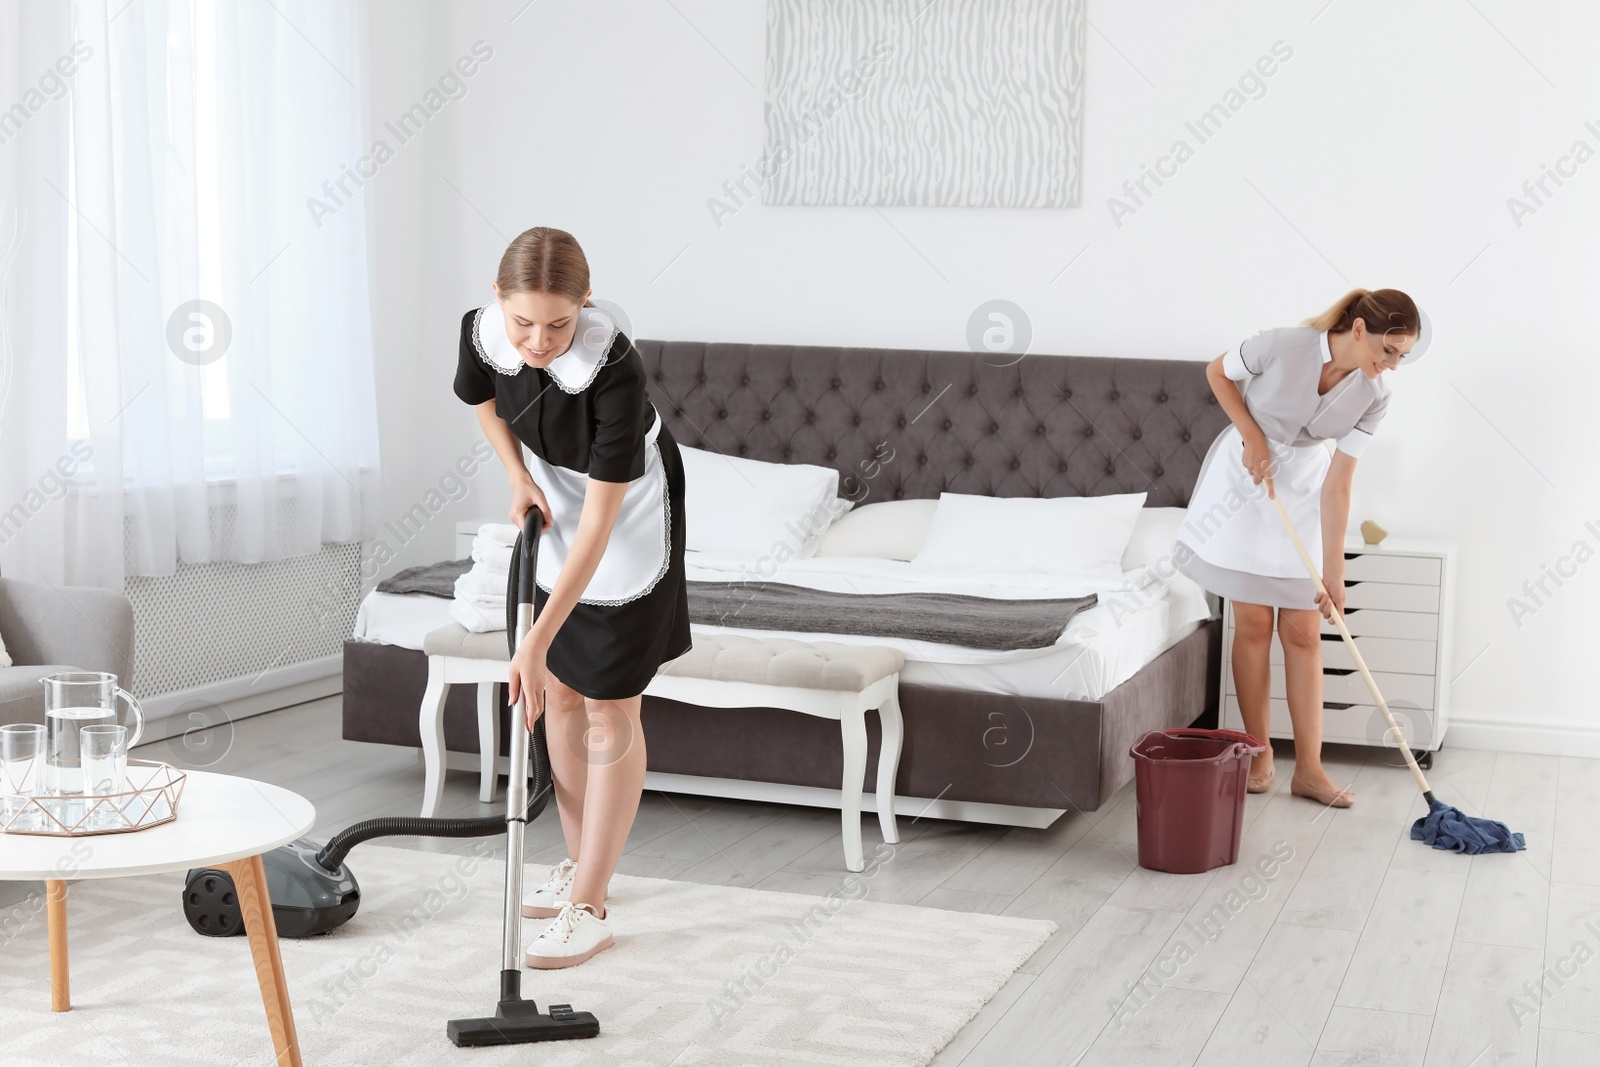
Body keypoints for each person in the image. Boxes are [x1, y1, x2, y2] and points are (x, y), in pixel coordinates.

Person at [454, 226, 691, 968]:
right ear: (499, 301)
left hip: (622, 516)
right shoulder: (485, 331)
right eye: (523, 321)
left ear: (583, 306)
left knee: (606, 705)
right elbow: (482, 399)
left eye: (558, 323)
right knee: (556, 694)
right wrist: (517, 475)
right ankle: (583, 864)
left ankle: (590, 904)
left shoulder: (613, 367)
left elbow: (598, 529)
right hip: (553, 488)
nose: (538, 340)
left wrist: (532, 636)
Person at [1174, 289, 1429, 808]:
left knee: (1305, 636)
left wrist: (1333, 572)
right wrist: (1251, 436)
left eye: (1403, 355)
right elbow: (1216, 372)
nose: (1394, 364)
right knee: (1250, 625)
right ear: (1359, 330)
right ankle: (1260, 752)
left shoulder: (1375, 396)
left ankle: (1310, 771)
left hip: (1304, 489)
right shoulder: (1283, 345)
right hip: (1245, 482)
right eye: (1390, 350)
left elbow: (1339, 485)